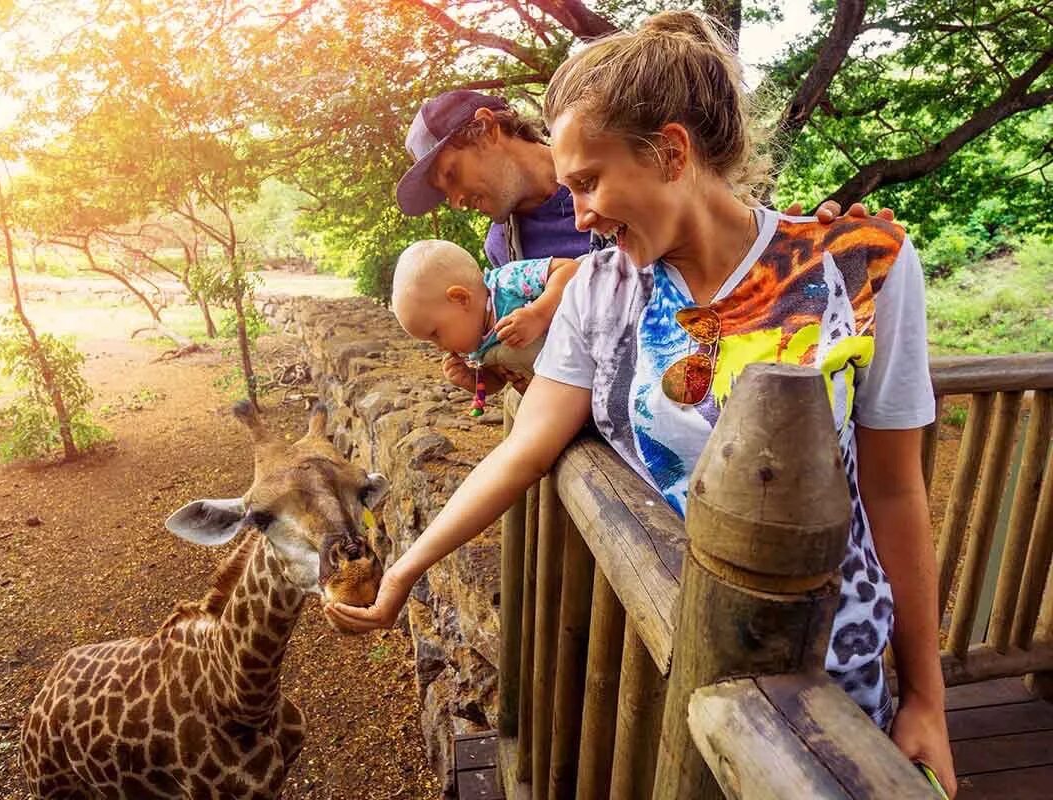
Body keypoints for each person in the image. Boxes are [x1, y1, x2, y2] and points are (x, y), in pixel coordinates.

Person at [340, 10, 955, 796]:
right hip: (666, 651)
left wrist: (928, 699)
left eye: (590, 182)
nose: (583, 215)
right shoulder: (601, 290)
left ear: (670, 151)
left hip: (830, 670)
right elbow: (524, 448)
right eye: (569, 189)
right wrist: (406, 570)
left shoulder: (863, 267)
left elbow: (897, 489)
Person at [395, 89, 894, 395]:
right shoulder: (503, 253)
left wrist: (822, 243)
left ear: (484, 130)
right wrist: (495, 373)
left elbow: (733, 242)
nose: (456, 200)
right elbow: (549, 368)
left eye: (452, 175)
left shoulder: (626, 168)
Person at [392, 240, 580, 386]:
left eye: (436, 334)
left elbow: (570, 269)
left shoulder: (507, 282)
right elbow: (498, 382)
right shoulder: (478, 346)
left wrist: (539, 314)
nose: (439, 347)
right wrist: (472, 379)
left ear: (460, 299)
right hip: (559, 387)